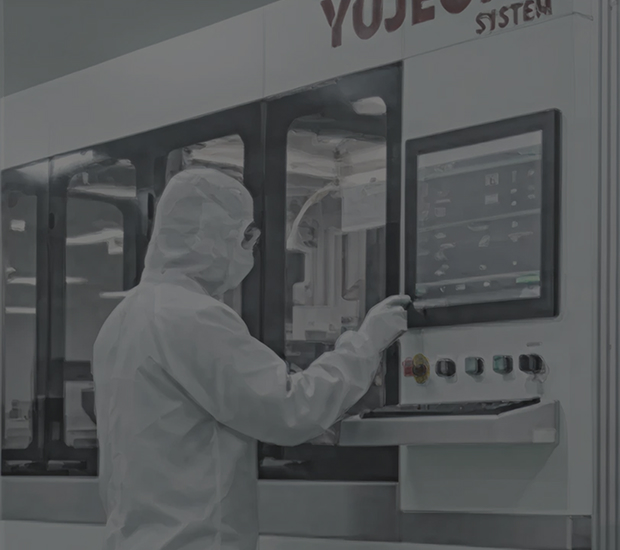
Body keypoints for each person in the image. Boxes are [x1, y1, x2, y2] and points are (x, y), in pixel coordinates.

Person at [92, 166, 411, 550]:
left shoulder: (122, 319)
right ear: (210, 236)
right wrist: (367, 342)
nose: (249, 252)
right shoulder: (193, 316)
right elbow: (289, 408)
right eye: (244, 238)